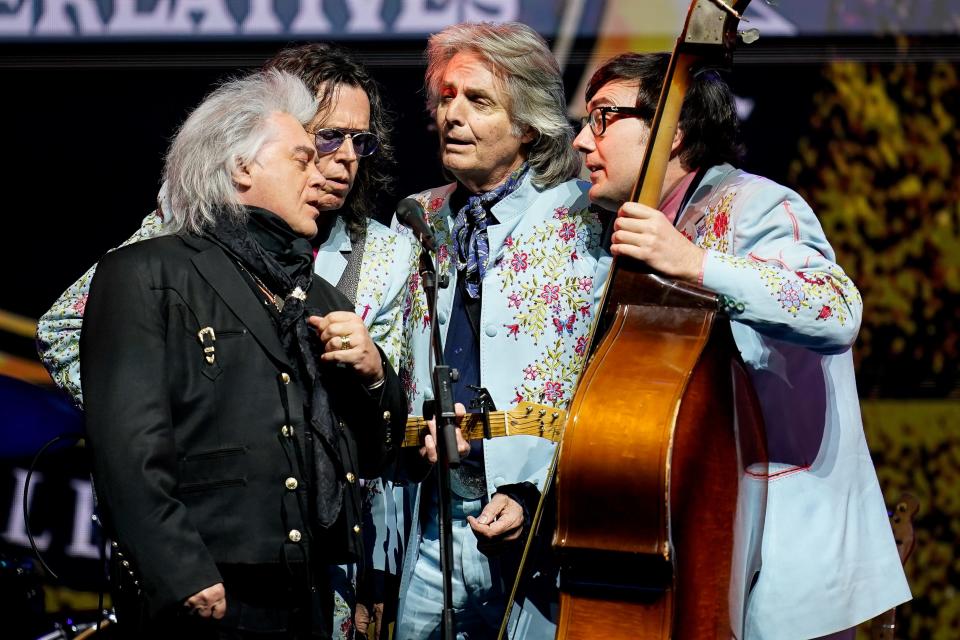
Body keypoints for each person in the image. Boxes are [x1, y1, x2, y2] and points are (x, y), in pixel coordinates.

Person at [36, 43, 415, 639]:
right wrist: (174, 552)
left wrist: (372, 373)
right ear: (243, 165)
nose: (333, 165)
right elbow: (128, 438)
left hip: (310, 576)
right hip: (206, 568)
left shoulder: (321, 290)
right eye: (314, 146)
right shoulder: (154, 261)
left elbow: (371, 447)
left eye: (358, 144)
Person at [572, 51, 910, 639]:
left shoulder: (758, 203)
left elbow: (835, 309)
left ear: (672, 131)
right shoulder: (635, 228)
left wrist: (694, 262)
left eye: (602, 117)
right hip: (704, 541)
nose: (581, 139)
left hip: (789, 553)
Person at [392, 22, 611, 639]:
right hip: (434, 516)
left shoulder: (585, 219)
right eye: (446, 97)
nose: (452, 115)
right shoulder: (419, 216)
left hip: (539, 521)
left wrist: (543, 494)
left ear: (531, 123)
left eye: (478, 100)